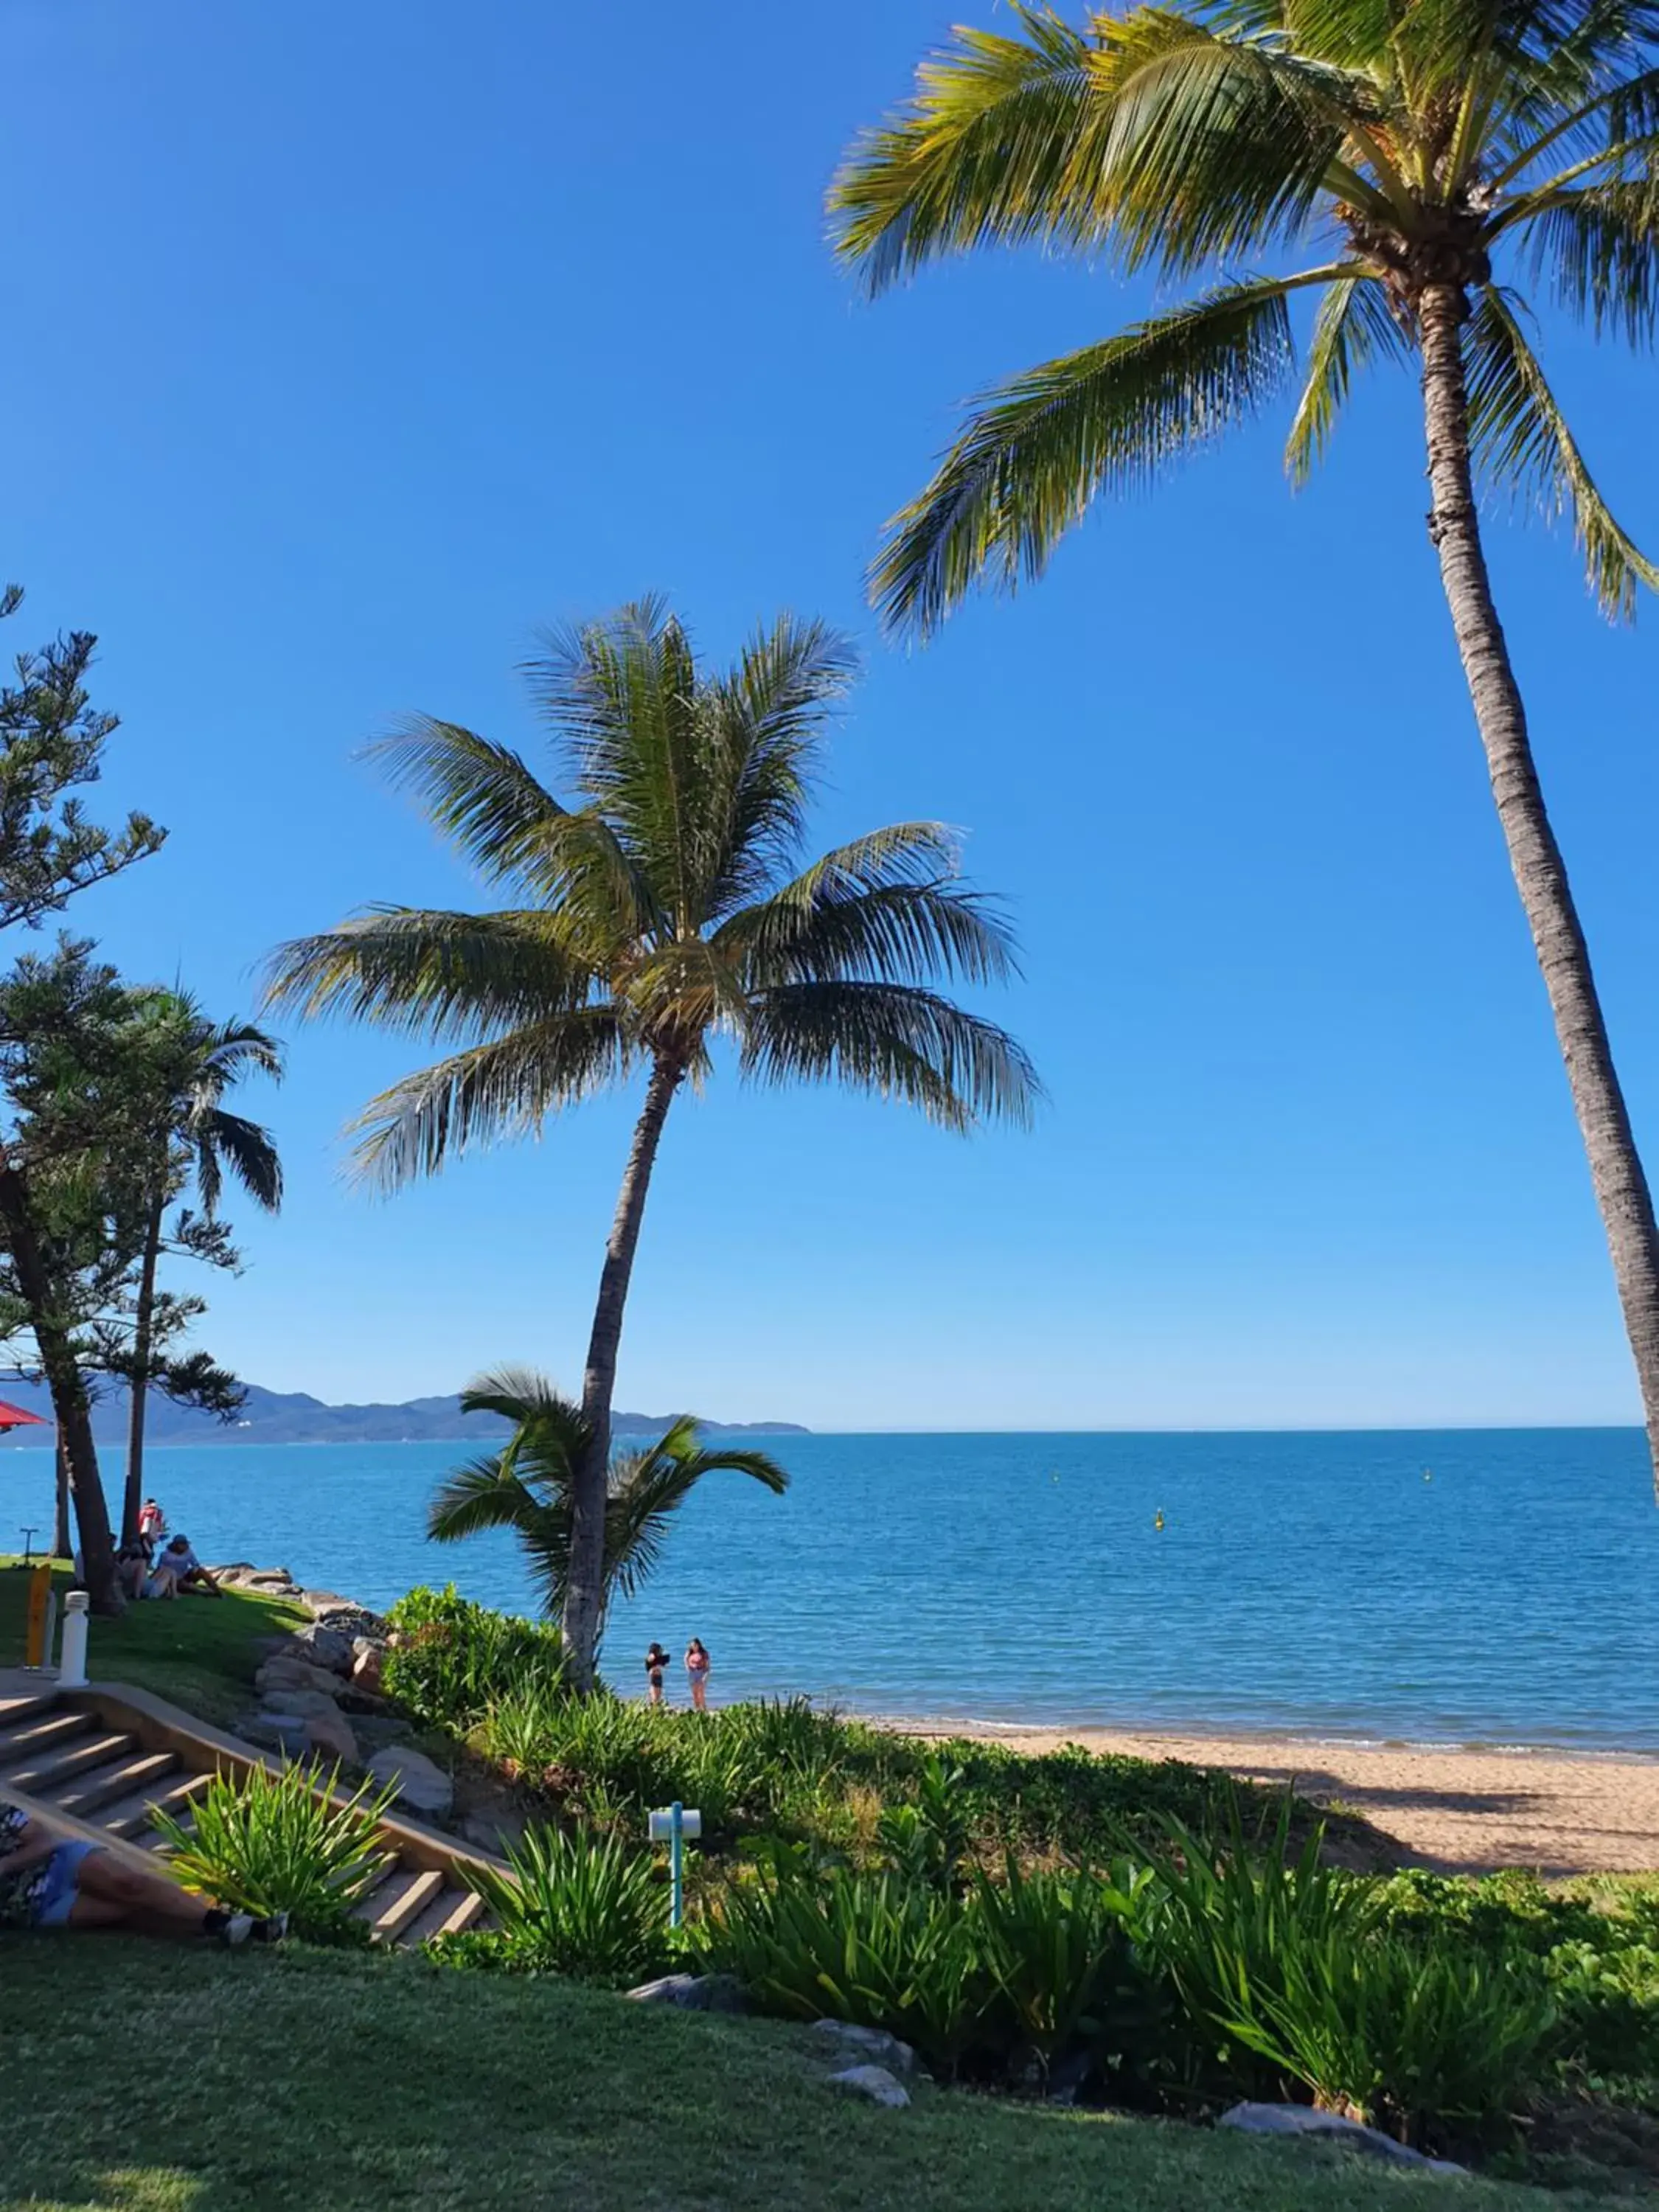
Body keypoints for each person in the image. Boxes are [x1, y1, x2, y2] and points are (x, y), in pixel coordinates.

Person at [0, 1798, 285, 1944]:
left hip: (57, 1863)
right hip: (33, 1905)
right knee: (127, 1913)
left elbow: (44, 1841)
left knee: (130, 1885)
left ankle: (221, 1921)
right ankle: (242, 1928)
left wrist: (5, 1865)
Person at [156, 1535, 221, 1597]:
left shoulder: (188, 1552)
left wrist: (195, 1569)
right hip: (173, 1580)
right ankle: (206, 1592)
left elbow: (195, 1563)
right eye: (183, 1544)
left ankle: (217, 1590)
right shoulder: (166, 1555)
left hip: (184, 1576)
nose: (186, 1546)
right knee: (188, 1586)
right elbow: (160, 1569)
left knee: (201, 1571)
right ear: (176, 1545)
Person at [684, 1638, 711, 1713]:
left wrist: (706, 1675)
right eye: (692, 1645)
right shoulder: (689, 1653)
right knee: (694, 1693)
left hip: (701, 1672)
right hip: (692, 1673)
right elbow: (685, 1660)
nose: (694, 1647)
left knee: (701, 1692)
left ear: (699, 1645)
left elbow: (708, 1666)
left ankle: (704, 1708)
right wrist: (687, 1667)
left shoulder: (704, 1653)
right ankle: (697, 1709)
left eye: (695, 1645)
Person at [644, 1642, 669, 1708]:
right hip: (654, 1677)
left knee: (658, 1696)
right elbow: (649, 1662)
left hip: (659, 1677)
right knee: (654, 1696)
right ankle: (654, 1709)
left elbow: (665, 1661)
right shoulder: (651, 1657)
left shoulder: (659, 1658)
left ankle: (656, 1708)